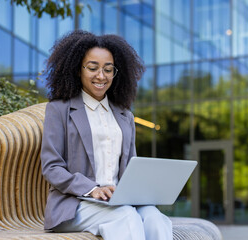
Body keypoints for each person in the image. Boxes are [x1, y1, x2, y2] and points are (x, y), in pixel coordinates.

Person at [40, 30, 173, 240]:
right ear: (77, 70)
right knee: (126, 217)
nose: (101, 76)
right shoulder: (59, 110)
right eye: (93, 68)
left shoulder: (124, 116)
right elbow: (52, 167)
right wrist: (91, 189)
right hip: (77, 205)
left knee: (155, 218)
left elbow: (132, 166)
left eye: (108, 69)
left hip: (120, 201)